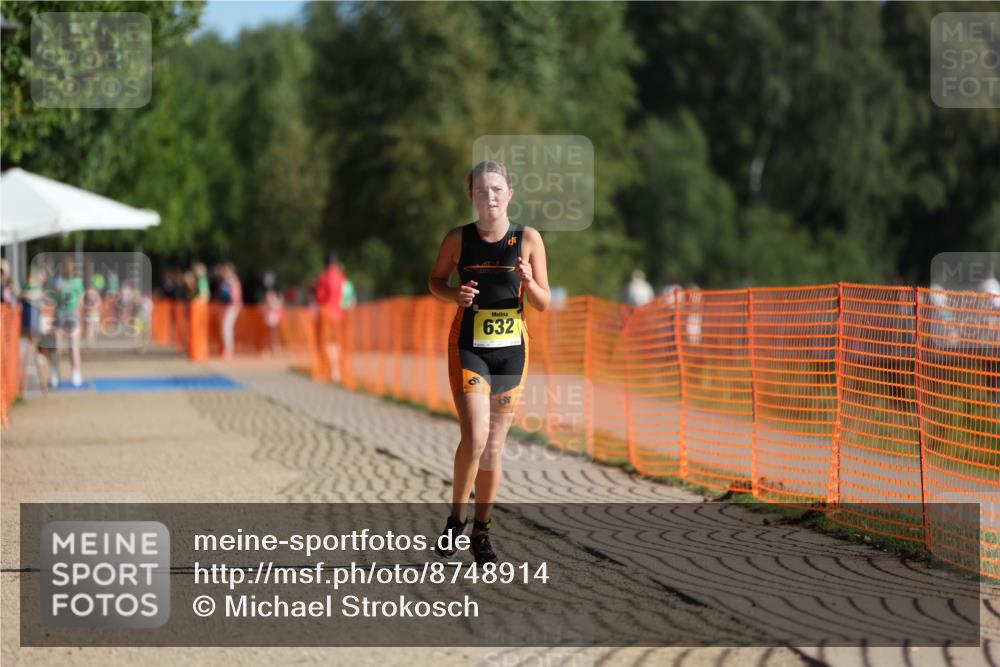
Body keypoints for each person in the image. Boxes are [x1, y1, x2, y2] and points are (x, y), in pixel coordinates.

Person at [428, 159, 551, 565]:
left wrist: (530, 281)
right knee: (476, 435)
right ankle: (456, 520)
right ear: (472, 197)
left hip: (513, 350)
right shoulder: (458, 239)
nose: (490, 197)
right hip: (470, 346)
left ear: (509, 194)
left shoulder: (528, 239)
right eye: (482, 191)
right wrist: (454, 296)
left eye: (497, 190)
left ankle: (483, 531)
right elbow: (435, 281)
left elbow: (544, 302)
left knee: (495, 445)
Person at [53, 256, 85, 388]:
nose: (68, 269)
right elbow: (54, 300)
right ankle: (55, 373)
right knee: (57, 347)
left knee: (73, 347)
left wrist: (80, 318)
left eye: (70, 266)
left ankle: (76, 372)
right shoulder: (58, 281)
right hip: (60, 316)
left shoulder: (78, 282)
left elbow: (81, 301)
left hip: (73, 316)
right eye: (66, 266)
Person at [315, 253, 346, 382]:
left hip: (326, 312)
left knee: (326, 343)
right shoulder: (341, 277)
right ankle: (336, 370)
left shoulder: (324, 277)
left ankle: (331, 370)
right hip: (339, 313)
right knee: (336, 342)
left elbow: (320, 296)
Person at [219, 263, 242, 359]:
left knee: (226, 328)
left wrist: (234, 304)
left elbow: (235, 296)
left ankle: (229, 349)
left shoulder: (233, 280)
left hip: (232, 307)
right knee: (226, 328)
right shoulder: (226, 281)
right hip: (227, 307)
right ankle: (227, 348)